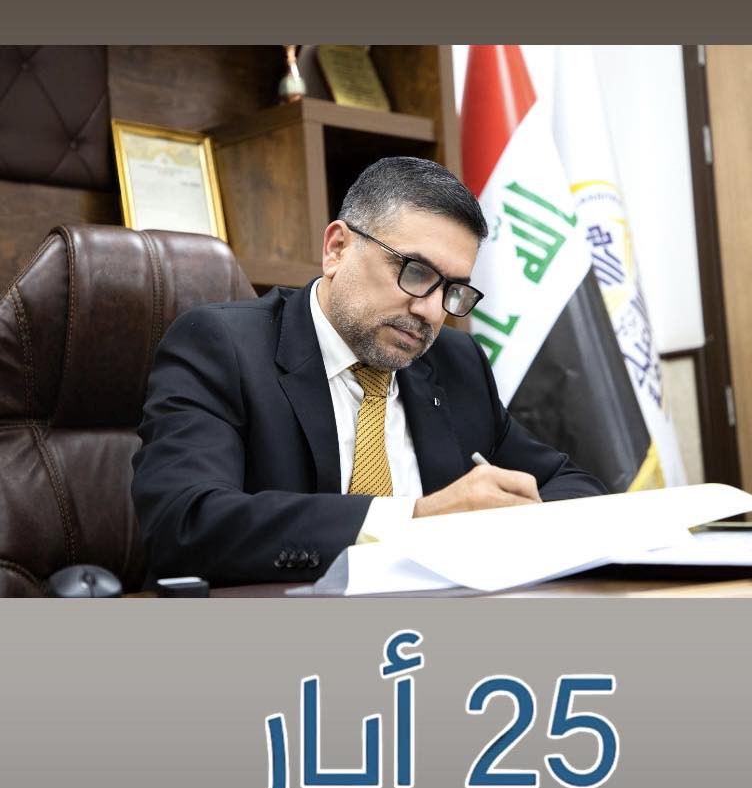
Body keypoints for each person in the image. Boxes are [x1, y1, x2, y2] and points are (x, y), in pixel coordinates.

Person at [132, 156, 606, 584]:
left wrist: (519, 520)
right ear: (337, 248)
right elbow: (183, 524)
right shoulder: (222, 346)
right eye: (415, 272)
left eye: (452, 290)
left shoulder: (456, 363)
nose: (431, 311)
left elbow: (575, 488)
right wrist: (416, 519)